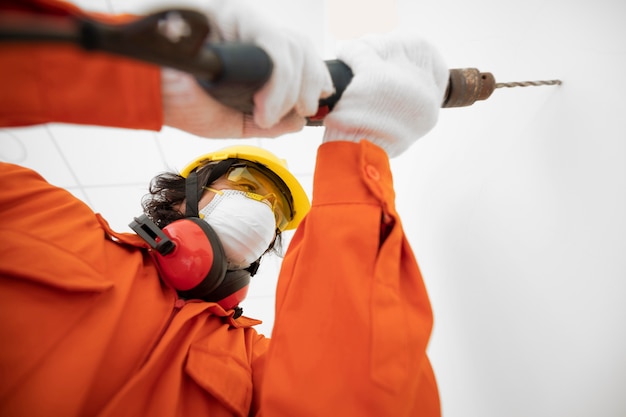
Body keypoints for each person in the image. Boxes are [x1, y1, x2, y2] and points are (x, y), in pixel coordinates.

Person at [0, 0, 449, 416]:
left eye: (275, 214)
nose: (260, 212)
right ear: (183, 193)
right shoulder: (37, 218)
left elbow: (357, 394)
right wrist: (155, 81)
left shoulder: (255, 366)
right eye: (247, 185)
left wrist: (355, 162)